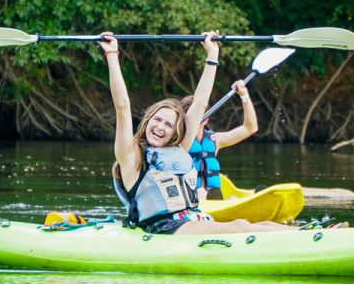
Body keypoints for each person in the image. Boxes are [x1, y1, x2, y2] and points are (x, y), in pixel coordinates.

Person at [101, 31, 295, 234]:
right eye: (157, 120)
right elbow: (122, 106)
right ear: (147, 121)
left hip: (191, 218)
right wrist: (112, 55)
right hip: (162, 228)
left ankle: (313, 234)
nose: (160, 127)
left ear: (174, 133)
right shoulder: (130, 157)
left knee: (259, 225)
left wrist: (212, 55)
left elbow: (200, 103)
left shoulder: (179, 148)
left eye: (168, 125)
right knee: (241, 226)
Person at [180, 80, 257, 201]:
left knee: (233, 198)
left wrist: (244, 95)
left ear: (206, 119)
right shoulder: (178, 143)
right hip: (191, 199)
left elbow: (250, 128)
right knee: (200, 192)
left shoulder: (214, 140)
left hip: (213, 196)